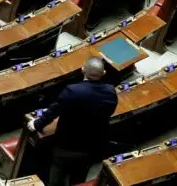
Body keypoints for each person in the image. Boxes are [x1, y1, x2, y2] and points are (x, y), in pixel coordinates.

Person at [28, 57, 118, 186]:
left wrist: (37, 124)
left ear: (83, 70)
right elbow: (110, 112)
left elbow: (54, 111)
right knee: (79, 177)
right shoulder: (111, 91)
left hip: (67, 146)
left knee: (57, 177)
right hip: (92, 146)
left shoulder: (72, 90)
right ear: (103, 73)